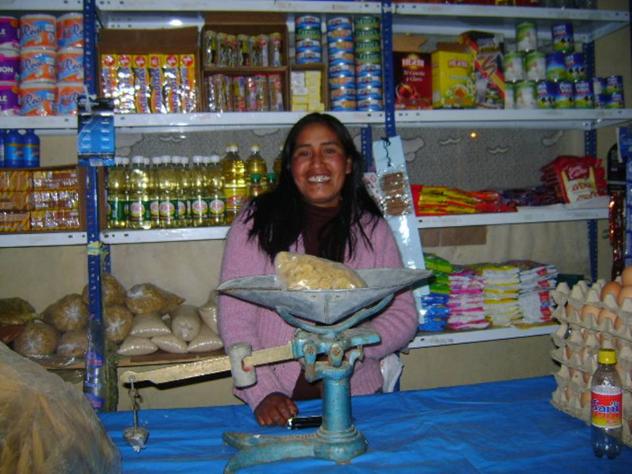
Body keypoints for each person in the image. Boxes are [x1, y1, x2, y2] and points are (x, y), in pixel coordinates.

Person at [218, 112, 418, 427]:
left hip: (357, 398)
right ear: (289, 166)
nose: (317, 164)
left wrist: (353, 347)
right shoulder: (256, 222)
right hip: (278, 403)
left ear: (348, 163)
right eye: (304, 153)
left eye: (329, 151)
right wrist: (262, 392)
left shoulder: (373, 230)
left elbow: (403, 315)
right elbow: (235, 317)